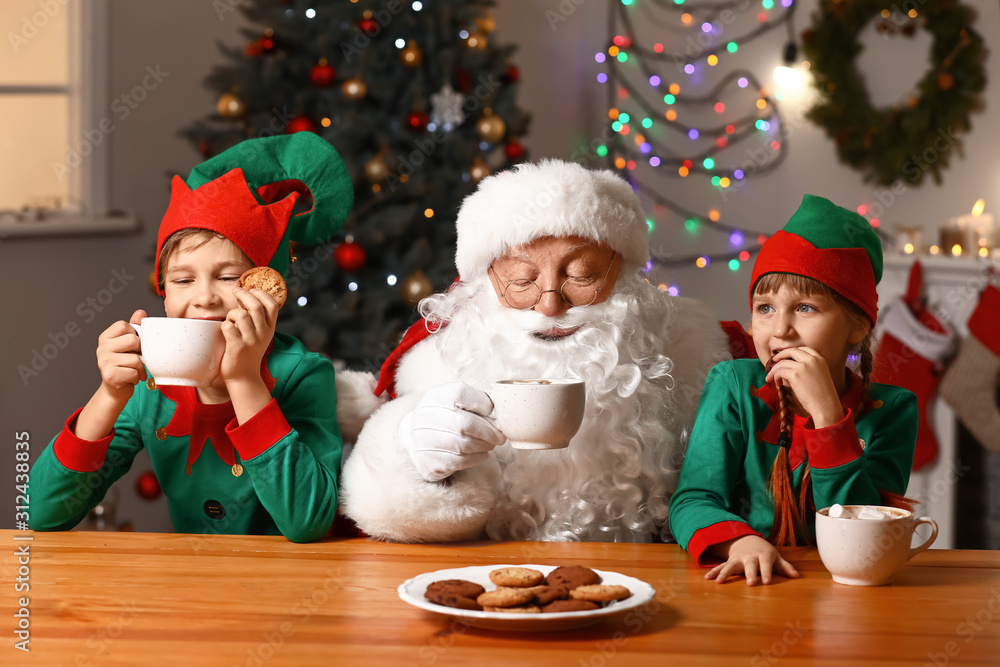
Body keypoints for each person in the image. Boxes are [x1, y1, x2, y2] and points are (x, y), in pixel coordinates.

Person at [335, 159, 730, 543]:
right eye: (523, 281)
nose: (549, 306)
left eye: (581, 276)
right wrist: (411, 463)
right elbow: (378, 507)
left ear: (621, 274)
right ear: (487, 280)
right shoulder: (437, 367)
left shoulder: (690, 356)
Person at [30, 133, 354, 542]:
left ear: (265, 289)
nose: (204, 297)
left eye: (229, 276)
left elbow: (309, 522)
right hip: (190, 586)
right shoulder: (150, 385)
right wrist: (109, 395)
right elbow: (42, 515)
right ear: (164, 291)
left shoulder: (303, 375)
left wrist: (243, 380)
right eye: (183, 279)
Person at [668, 194, 918, 585]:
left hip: (843, 591)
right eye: (765, 308)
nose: (780, 330)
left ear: (858, 326)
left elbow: (867, 536)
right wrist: (740, 543)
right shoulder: (732, 385)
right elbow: (694, 499)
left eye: (805, 308)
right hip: (746, 583)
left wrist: (829, 417)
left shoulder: (894, 410)